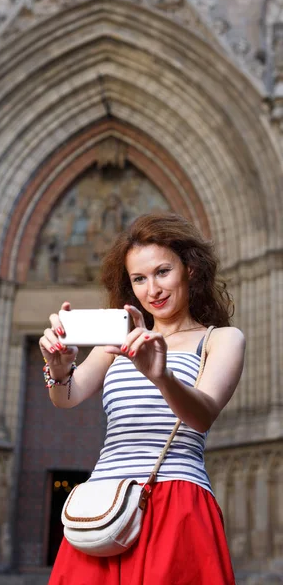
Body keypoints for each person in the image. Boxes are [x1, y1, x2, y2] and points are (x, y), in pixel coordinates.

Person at [39, 212, 245, 585]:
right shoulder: (118, 338)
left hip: (175, 500)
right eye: (139, 278)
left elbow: (203, 415)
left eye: (163, 272)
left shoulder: (221, 339)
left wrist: (161, 375)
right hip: (103, 503)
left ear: (191, 270)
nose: (153, 289)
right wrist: (58, 367)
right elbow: (66, 397)